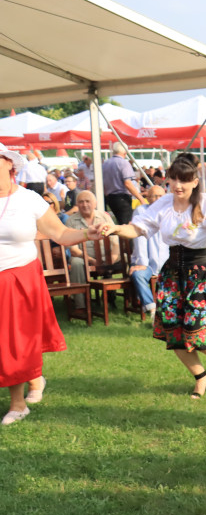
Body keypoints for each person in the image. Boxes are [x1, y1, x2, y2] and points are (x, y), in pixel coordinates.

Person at [100, 154, 206, 399]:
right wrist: (116, 228)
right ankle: (201, 377)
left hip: (200, 272)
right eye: (174, 180)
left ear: (195, 181)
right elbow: (138, 228)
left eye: (184, 180)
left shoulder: (205, 202)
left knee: (196, 330)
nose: (178, 185)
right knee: (173, 334)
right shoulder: (162, 204)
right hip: (172, 273)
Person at [0, 143, 97, 424]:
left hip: (19, 278)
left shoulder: (29, 199)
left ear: (9, 164)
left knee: (13, 341)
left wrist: (87, 234)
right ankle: (33, 378)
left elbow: (61, 234)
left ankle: (18, 405)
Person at [65, 190, 117, 310]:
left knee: (125, 258)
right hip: (84, 258)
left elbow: (115, 242)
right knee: (76, 263)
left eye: (87, 201)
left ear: (95, 203)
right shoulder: (71, 221)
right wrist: (93, 261)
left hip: (106, 256)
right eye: (81, 202)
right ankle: (81, 306)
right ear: (77, 204)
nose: (84, 204)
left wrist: (111, 259)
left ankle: (130, 299)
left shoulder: (104, 217)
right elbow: (73, 250)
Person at [129, 185, 169, 321]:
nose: (158, 199)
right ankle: (152, 309)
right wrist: (142, 264)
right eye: (154, 196)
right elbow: (139, 239)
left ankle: (172, 310)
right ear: (147, 197)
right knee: (138, 274)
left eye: (161, 196)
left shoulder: (170, 211)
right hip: (148, 263)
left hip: (167, 263)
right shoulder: (142, 211)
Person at [102, 143, 145, 225]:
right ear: (125, 152)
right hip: (122, 199)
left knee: (119, 223)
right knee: (126, 225)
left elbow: (103, 184)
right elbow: (127, 183)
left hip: (110, 198)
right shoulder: (124, 163)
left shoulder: (105, 164)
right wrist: (141, 198)